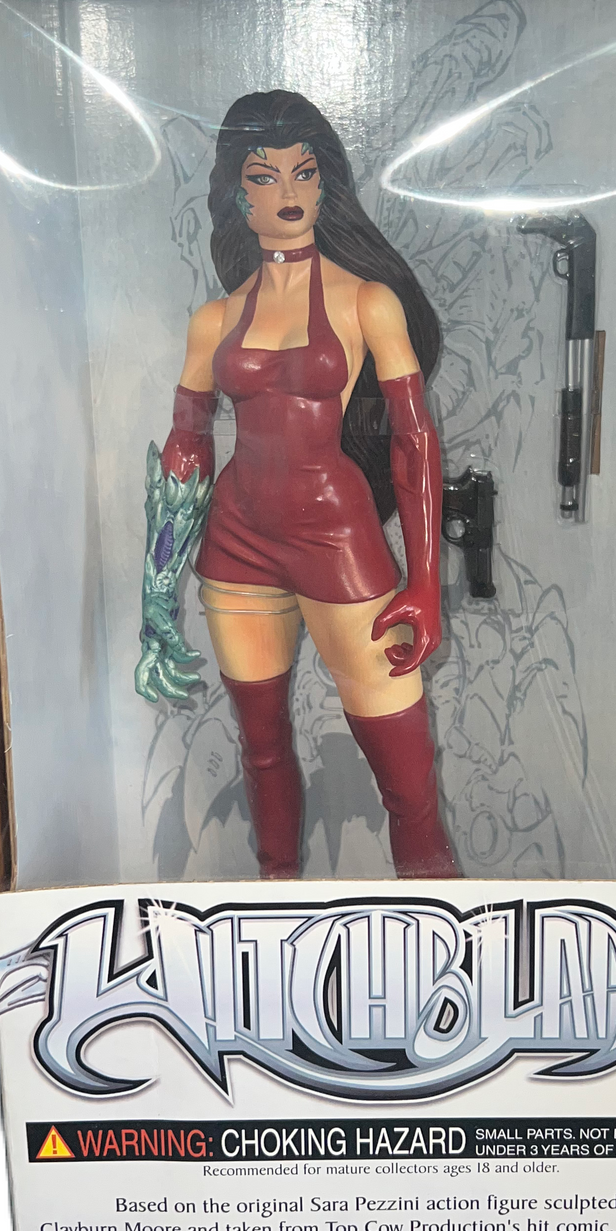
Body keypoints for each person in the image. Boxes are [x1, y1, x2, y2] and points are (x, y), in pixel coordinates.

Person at [135, 90, 457, 880]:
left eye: (303, 172)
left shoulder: (367, 302)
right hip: (237, 547)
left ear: (324, 185)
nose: (287, 191)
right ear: (237, 195)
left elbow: (415, 441)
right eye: (264, 175)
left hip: (338, 541)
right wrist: (156, 593)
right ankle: (276, 909)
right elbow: (186, 448)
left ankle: (441, 929)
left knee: (410, 783)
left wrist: (425, 581)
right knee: (262, 751)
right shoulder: (214, 321)